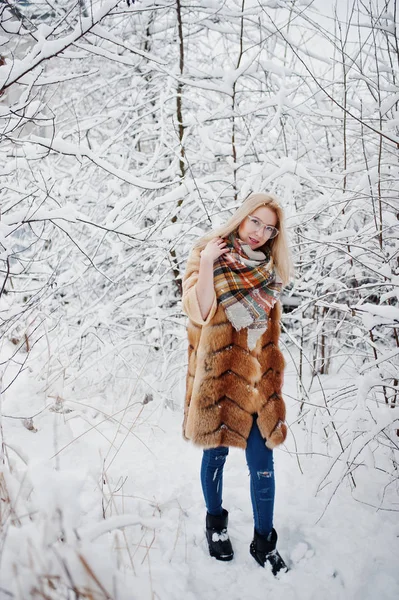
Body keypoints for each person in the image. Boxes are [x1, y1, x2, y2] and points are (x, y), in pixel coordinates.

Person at [181, 192, 293, 576]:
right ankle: (215, 525)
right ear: (242, 219)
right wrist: (210, 262)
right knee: (215, 455)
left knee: (263, 465)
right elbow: (199, 311)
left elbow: (267, 331)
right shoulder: (207, 253)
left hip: (259, 380)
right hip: (219, 375)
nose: (260, 232)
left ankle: (265, 542)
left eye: (269, 228)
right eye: (255, 222)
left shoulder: (271, 273)